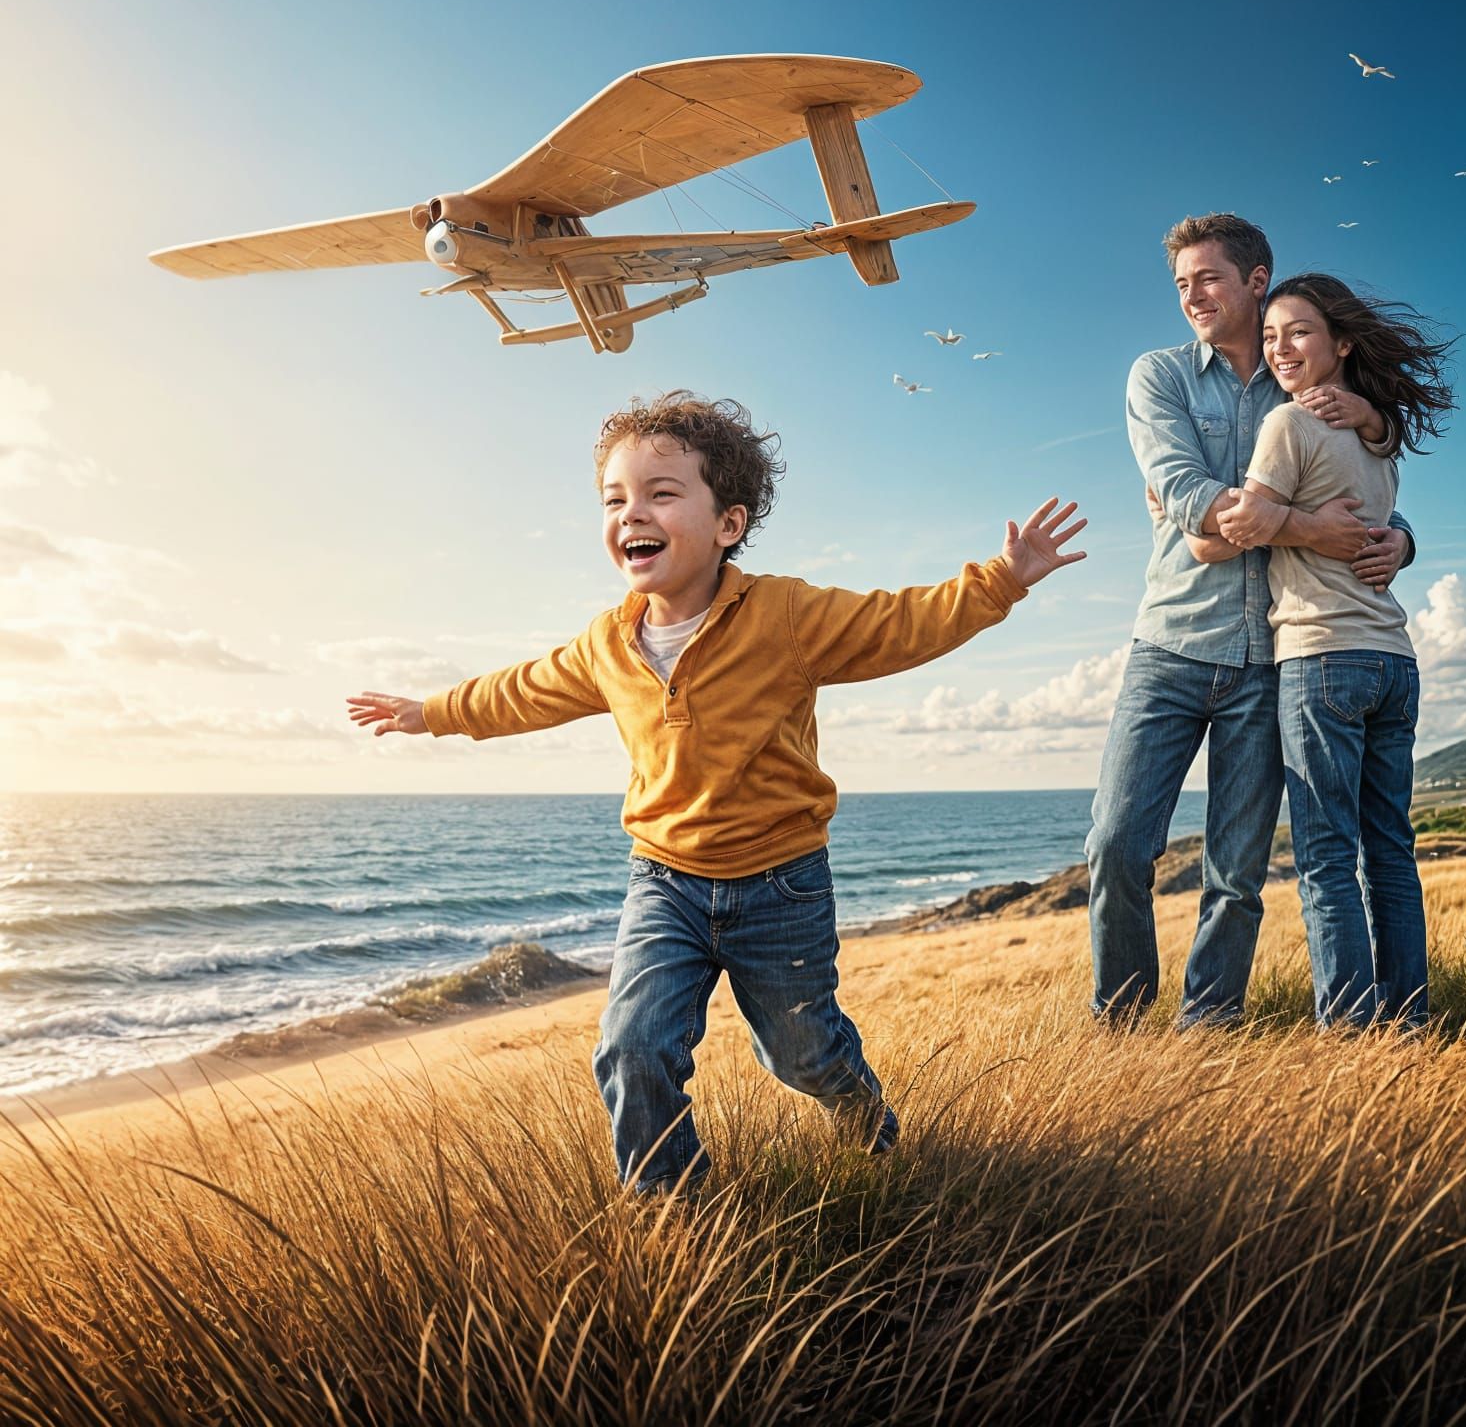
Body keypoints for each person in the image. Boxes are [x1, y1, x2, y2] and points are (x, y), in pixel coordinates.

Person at [348, 391, 1087, 1193]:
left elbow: (899, 623)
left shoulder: (786, 614)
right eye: (615, 500)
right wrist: (432, 712)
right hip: (664, 882)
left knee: (802, 1057)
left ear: (729, 523)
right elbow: (522, 691)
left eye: (661, 493)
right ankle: (674, 1211)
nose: (633, 513)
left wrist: (1001, 581)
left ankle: (868, 1130)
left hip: (781, 885)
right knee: (632, 1047)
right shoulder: (607, 644)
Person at [1087, 214, 1416, 1026]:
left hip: (1272, 658)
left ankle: (1210, 1024)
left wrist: (1401, 538)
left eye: (1208, 278)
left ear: (1255, 281)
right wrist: (1306, 528)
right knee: (1116, 844)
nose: (1192, 296)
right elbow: (1185, 493)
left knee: (1236, 872)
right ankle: (1121, 1023)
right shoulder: (1159, 375)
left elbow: (1365, 487)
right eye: (1182, 284)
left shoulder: (1304, 384)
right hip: (1170, 644)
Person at [1185, 274, 1454, 1026]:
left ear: (1342, 344)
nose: (1279, 348)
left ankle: (1352, 1030)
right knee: (1390, 852)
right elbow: (1382, 459)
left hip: (1322, 656)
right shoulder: (1376, 435)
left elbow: (1238, 529)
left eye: (1298, 332)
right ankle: (1409, 1020)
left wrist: (1192, 522)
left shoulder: (1289, 425)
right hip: (1393, 661)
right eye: (1270, 336)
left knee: (1328, 858)